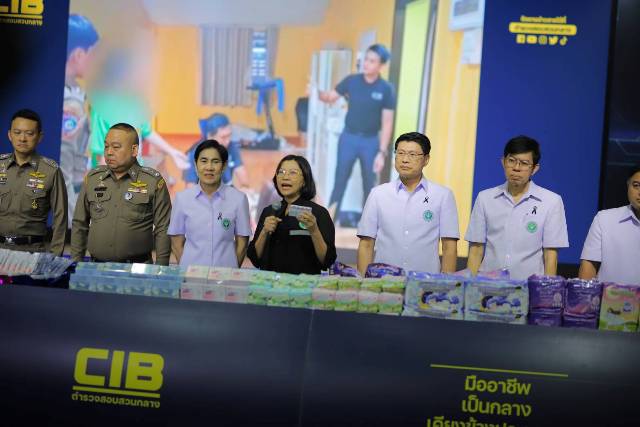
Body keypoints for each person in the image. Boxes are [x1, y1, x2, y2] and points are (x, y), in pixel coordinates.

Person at [465, 136, 569, 280]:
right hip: (488, 286)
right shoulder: (485, 198)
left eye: (524, 163)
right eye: (511, 161)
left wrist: (547, 290)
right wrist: (469, 286)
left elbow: (550, 256)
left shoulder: (551, 202)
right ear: (503, 162)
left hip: (529, 287)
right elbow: (476, 250)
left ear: (534, 169)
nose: (516, 168)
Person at [357, 132, 459, 275]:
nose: (405, 160)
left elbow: (449, 247)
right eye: (400, 153)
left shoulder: (442, 196)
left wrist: (445, 284)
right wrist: (363, 283)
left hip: (425, 283)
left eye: (412, 154)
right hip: (383, 282)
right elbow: (366, 244)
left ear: (426, 159)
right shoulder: (378, 194)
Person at [71, 123, 171, 264]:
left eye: (116, 147)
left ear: (134, 150)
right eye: (106, 146)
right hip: (96, 267)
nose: (109, 152)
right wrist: (75, 263)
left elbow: (163, 229)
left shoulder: (152, 181)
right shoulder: (93, 179)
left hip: (137, 269)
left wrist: (162, 269)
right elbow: (79, 224)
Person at [318, 44, 396, 223]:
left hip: (371, 142)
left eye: (372, 61)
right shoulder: (351, 81)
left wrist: (382, 152)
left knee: (370, 185)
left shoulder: (386, 89)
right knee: (339, 182)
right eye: (366, 59)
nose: (366, 64)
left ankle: (368, 225)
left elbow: (387, 122)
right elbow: (330, 97)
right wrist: (316, 93)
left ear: (381, 65)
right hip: (349, 139)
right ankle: (329, 223)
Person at [248, 155, 336, 274]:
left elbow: (327, 261)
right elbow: (255, 258)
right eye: (281, 172)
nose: (285, 177)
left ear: (304, 181)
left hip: (302, 284)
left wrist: (314, 230)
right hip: (269, 283)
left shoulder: (319, 213)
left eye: (293, 173)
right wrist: (264, 232)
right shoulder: (269, 211)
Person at [169, 140, 251, 268]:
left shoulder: (239, 199)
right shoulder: (182, 199)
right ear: (195, 165)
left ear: (224, 166)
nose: (209, 167)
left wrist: (231, 270)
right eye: (204, 161)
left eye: (215, 161)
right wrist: (187, 269)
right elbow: (176, 242)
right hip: (191, 275)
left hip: (225, 275)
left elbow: (242, 243)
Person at [0, 109, 68, 256]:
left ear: (39, 137)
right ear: (10, 135)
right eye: (17, 132)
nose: (22, 138)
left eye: (29, 133)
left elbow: (60, 218)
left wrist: (55, 257)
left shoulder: (51, 171)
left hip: (31, 252)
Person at [61, 14, 99, 226]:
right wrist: (72, 223)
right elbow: (64, 166)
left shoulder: (75, 91)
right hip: (65, 205)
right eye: (91, 55)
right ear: (78, 55)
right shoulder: (70, 100)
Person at [578, 164, 640, 285]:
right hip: (609, 297)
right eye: (636, 185)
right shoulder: (605, 219)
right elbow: (588, 266)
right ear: (628, 185)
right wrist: (585, 295)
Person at [184, 113, 249, 188]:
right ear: (210, 137)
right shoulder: (194, 154)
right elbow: (190, 187)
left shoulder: (231, 147)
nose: (227, 141)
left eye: (229, 135)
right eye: (223, 137)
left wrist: (245, 188)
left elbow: (240, 170)